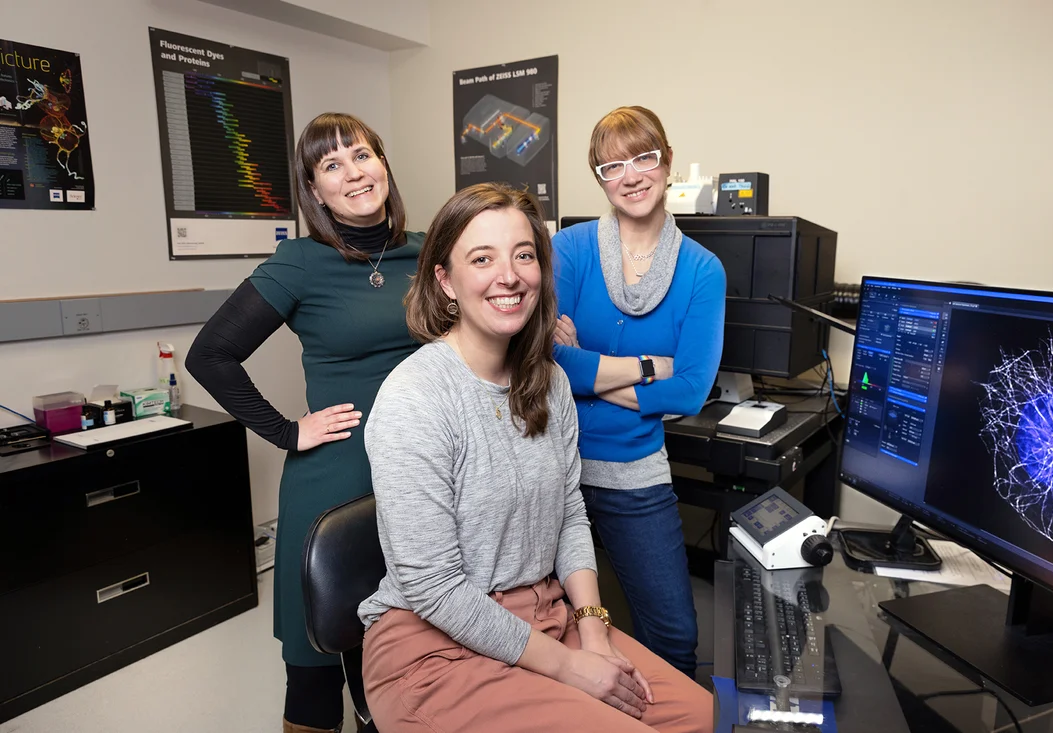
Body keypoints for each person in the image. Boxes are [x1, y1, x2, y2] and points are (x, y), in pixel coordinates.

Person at [358, 182, 712, 732]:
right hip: (434, 646)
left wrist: (593, 630)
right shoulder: (416, 397)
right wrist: (573, 668)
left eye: (524, 255)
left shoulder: (547, 383)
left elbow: (569, 511)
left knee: (706, 717)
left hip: (547, 619)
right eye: (482, 259)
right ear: (445, 280)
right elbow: (434, 588)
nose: (510, 275)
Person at [185, 112, 422, 733]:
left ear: (384, 165)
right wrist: (289, 431)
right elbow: (210, 354)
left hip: (422, 474)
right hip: (337, 479)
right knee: (318, 662)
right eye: (332, 165)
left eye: (363, 155)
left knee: (405, 650)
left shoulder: (428, 252)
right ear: (315, 191)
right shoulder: (300, 264)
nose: (354, 173)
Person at [550, 106, 726, 679]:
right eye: (611, 165)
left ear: (667, 162)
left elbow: (693, 391)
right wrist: (650, 366)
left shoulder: (703, 270)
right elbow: (547, 362)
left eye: (643, 157)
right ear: (599, 179)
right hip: (551, 467)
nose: (630, 175)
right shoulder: (570, 249)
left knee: (674, 638)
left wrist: (588, 370)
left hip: (634, 470)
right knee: (548, 632)